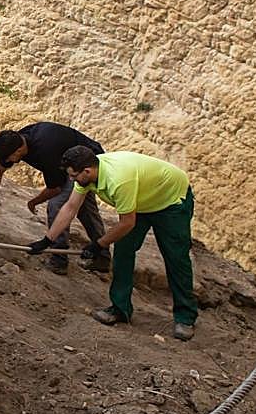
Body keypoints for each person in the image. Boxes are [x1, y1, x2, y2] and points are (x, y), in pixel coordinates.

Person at [28, 145, 198, 341]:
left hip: (170, 200)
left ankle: (185, 317)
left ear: (87, 171)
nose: (73, 180)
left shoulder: (118, 180)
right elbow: (70, 208)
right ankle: (120, 309)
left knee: (176, 257)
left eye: (74, 176)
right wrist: (47, 240)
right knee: (123, 252)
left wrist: (98, 244)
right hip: (140, 201)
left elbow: (127, 223)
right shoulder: (87, 175)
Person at [0, 123, 110, 275]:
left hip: (89, 162)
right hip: (68, 162)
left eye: (11, 158)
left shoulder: (46, 150)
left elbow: (55, 189)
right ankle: (103, 256)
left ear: (18, 150)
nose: (10, 161)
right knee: (84, 207)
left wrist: (34, 201)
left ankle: (60, 259)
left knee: (57, 205)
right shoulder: (15, 141)